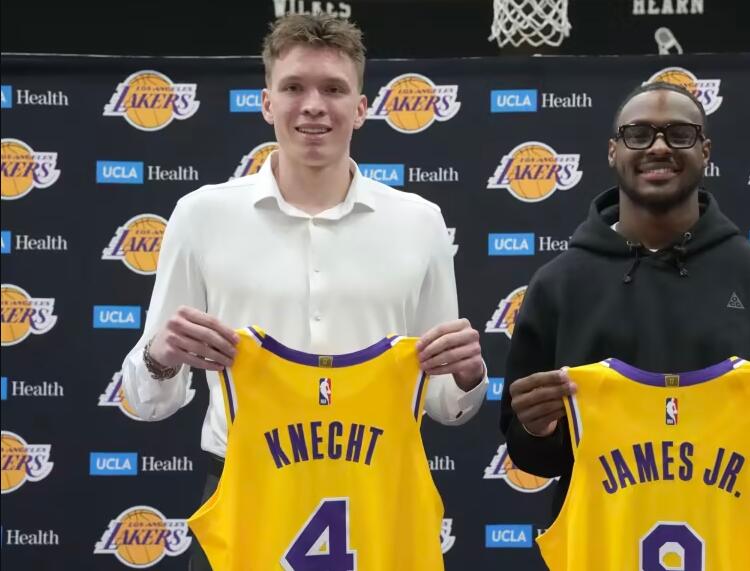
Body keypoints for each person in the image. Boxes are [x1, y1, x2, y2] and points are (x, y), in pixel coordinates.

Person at [121, 13, 487, 570]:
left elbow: (443, 406)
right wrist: (161, 357)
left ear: (360, 109)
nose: (313, 105)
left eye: (333, 89)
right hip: (244, 492)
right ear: (267, 103)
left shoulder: (420, 222)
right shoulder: (200, 216)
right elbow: (149, 402)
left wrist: (467, 377)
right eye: (293, 87)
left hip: (377, 493)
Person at [500, 81, 750, 534]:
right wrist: (537, 432)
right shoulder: (558, 285)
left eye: (679, 134)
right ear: (613, 151)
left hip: (737, 539)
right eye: (638, 134)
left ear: (705, 151)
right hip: (602, 540)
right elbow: (530, 454)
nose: (658, 147)